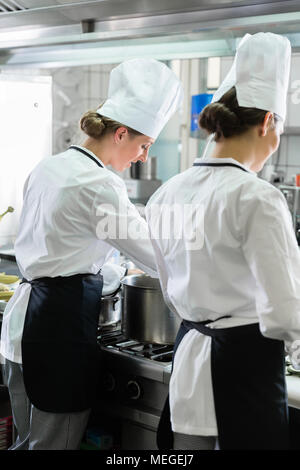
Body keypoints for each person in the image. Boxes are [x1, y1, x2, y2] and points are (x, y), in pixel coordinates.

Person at [0, 58, 183, 450]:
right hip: (56, 334)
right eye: (143, 145)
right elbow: (157, 257)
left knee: (25, 442)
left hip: (19, 332)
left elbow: (69, 249)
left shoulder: (49, 167)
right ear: (120, 134)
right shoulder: (99, 184)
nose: (143, 157)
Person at [145, 32, 300, 450]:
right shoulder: (258, 197)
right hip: (245, 372)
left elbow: (168, 288)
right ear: (268, 121)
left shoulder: (166, 192)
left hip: (190, 360)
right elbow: (286, 312)